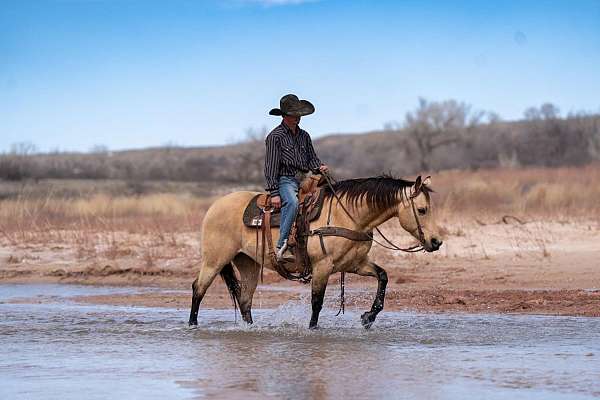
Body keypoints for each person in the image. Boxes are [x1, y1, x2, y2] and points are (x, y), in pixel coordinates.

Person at [264, 94, 329, 262]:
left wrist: (319, 166)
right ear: (284, 116)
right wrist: (274, 192)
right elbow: (270, 166)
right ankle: (282, 246)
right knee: (292, 204)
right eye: (294, 115)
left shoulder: (304, 136)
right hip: (286, 179)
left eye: (299, 115)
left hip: (306, 179)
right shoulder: (275, 137)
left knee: (329, 197)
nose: (297, 118)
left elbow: (312, 158)